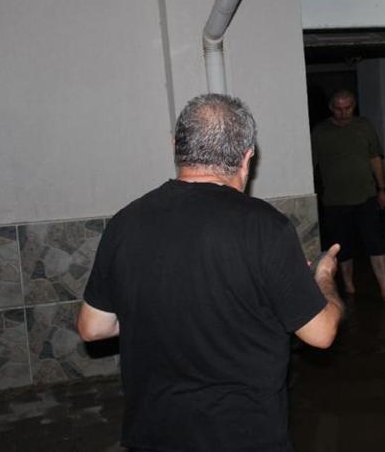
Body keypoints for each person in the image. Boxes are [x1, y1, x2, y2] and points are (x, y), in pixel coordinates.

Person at [77, 93, 344, 452]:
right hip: (243, 436)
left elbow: (93, 328)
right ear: (247, 157)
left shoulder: (125, 222)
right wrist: (323, 278)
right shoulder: (265, 228)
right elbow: (322, 333)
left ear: (176, 147)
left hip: (154, 435)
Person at [311, 89, 385, 307]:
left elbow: (375, 158)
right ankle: (350, 289)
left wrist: (382, 188)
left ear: (354, 106)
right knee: (343, 249)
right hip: (335, 201)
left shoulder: (364, 127)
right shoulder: (320, 132)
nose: (344, 113)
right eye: (339, 109)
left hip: (366, 197)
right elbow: (311, 165)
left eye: (348, 108)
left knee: (376, 244)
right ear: (332, 108)